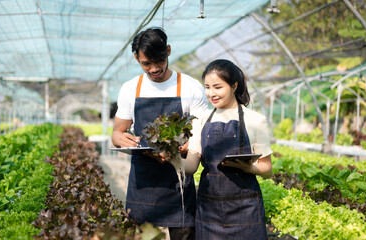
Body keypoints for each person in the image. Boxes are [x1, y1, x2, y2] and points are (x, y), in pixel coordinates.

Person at [112, 27, 208, 239]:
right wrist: (122, 139)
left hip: (179, 181)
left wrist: (189, 146)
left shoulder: (191, 87)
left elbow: (201, 131)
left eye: (159, 61)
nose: (154, 68)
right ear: (137, 58)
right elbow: (117, 133)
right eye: (147, 63)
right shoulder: (131, 88)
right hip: (143, 181)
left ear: (169, 51)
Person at [181, 59, 272, 239]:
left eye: (217, 87)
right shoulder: (201, 119)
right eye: (207, 87)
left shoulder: (255, 120)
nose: (211, 93)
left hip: (246, 208)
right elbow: (191, 165)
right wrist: (172, 159)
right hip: (209, 208)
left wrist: (249, 168)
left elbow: (267, 169)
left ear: (234, 86)